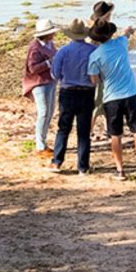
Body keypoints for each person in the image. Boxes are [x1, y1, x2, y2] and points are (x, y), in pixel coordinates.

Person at [87, 20, 136, 181]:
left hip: (111, 97)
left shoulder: (94, 56)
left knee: (115, 135)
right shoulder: (120, 44)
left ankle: (120, 170)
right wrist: (129, 30)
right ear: (111, 33)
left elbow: (94, 81)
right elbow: (126, 34)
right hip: (131, 93)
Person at [47, 18, 96, 173]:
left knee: (63, 128)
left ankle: (57, 162)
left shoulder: (63, 51)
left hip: (67, 92)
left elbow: (55, 74)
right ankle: (82, 166)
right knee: (83, 131)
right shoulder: (93, 51)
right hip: (87, 93)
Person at [22, 17, 57, 156]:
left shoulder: (49, 43)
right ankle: (40, 145)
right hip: (39, 83)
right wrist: (49, 63)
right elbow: (32, 68)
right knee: (43, 112)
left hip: (50, 81)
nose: (54, 34)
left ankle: (43, 142)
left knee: (49, 112)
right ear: (47, 34)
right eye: (52, 32)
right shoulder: (35, 49)